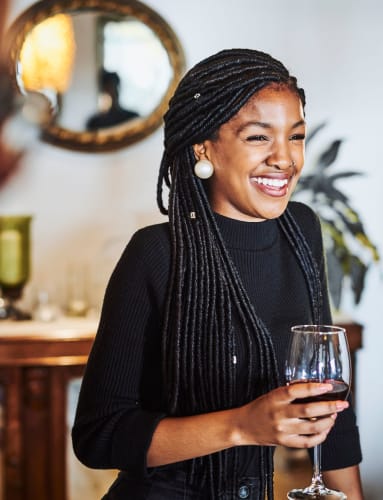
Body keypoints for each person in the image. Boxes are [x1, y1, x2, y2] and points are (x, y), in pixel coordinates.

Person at [72, 48, 363, 500]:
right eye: (258, 138)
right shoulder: (156, 253)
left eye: (296, 136)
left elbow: (330, 404)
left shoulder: (302, 229)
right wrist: (242, 426)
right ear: (203, 147)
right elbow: (98, 436)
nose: (285, 159)